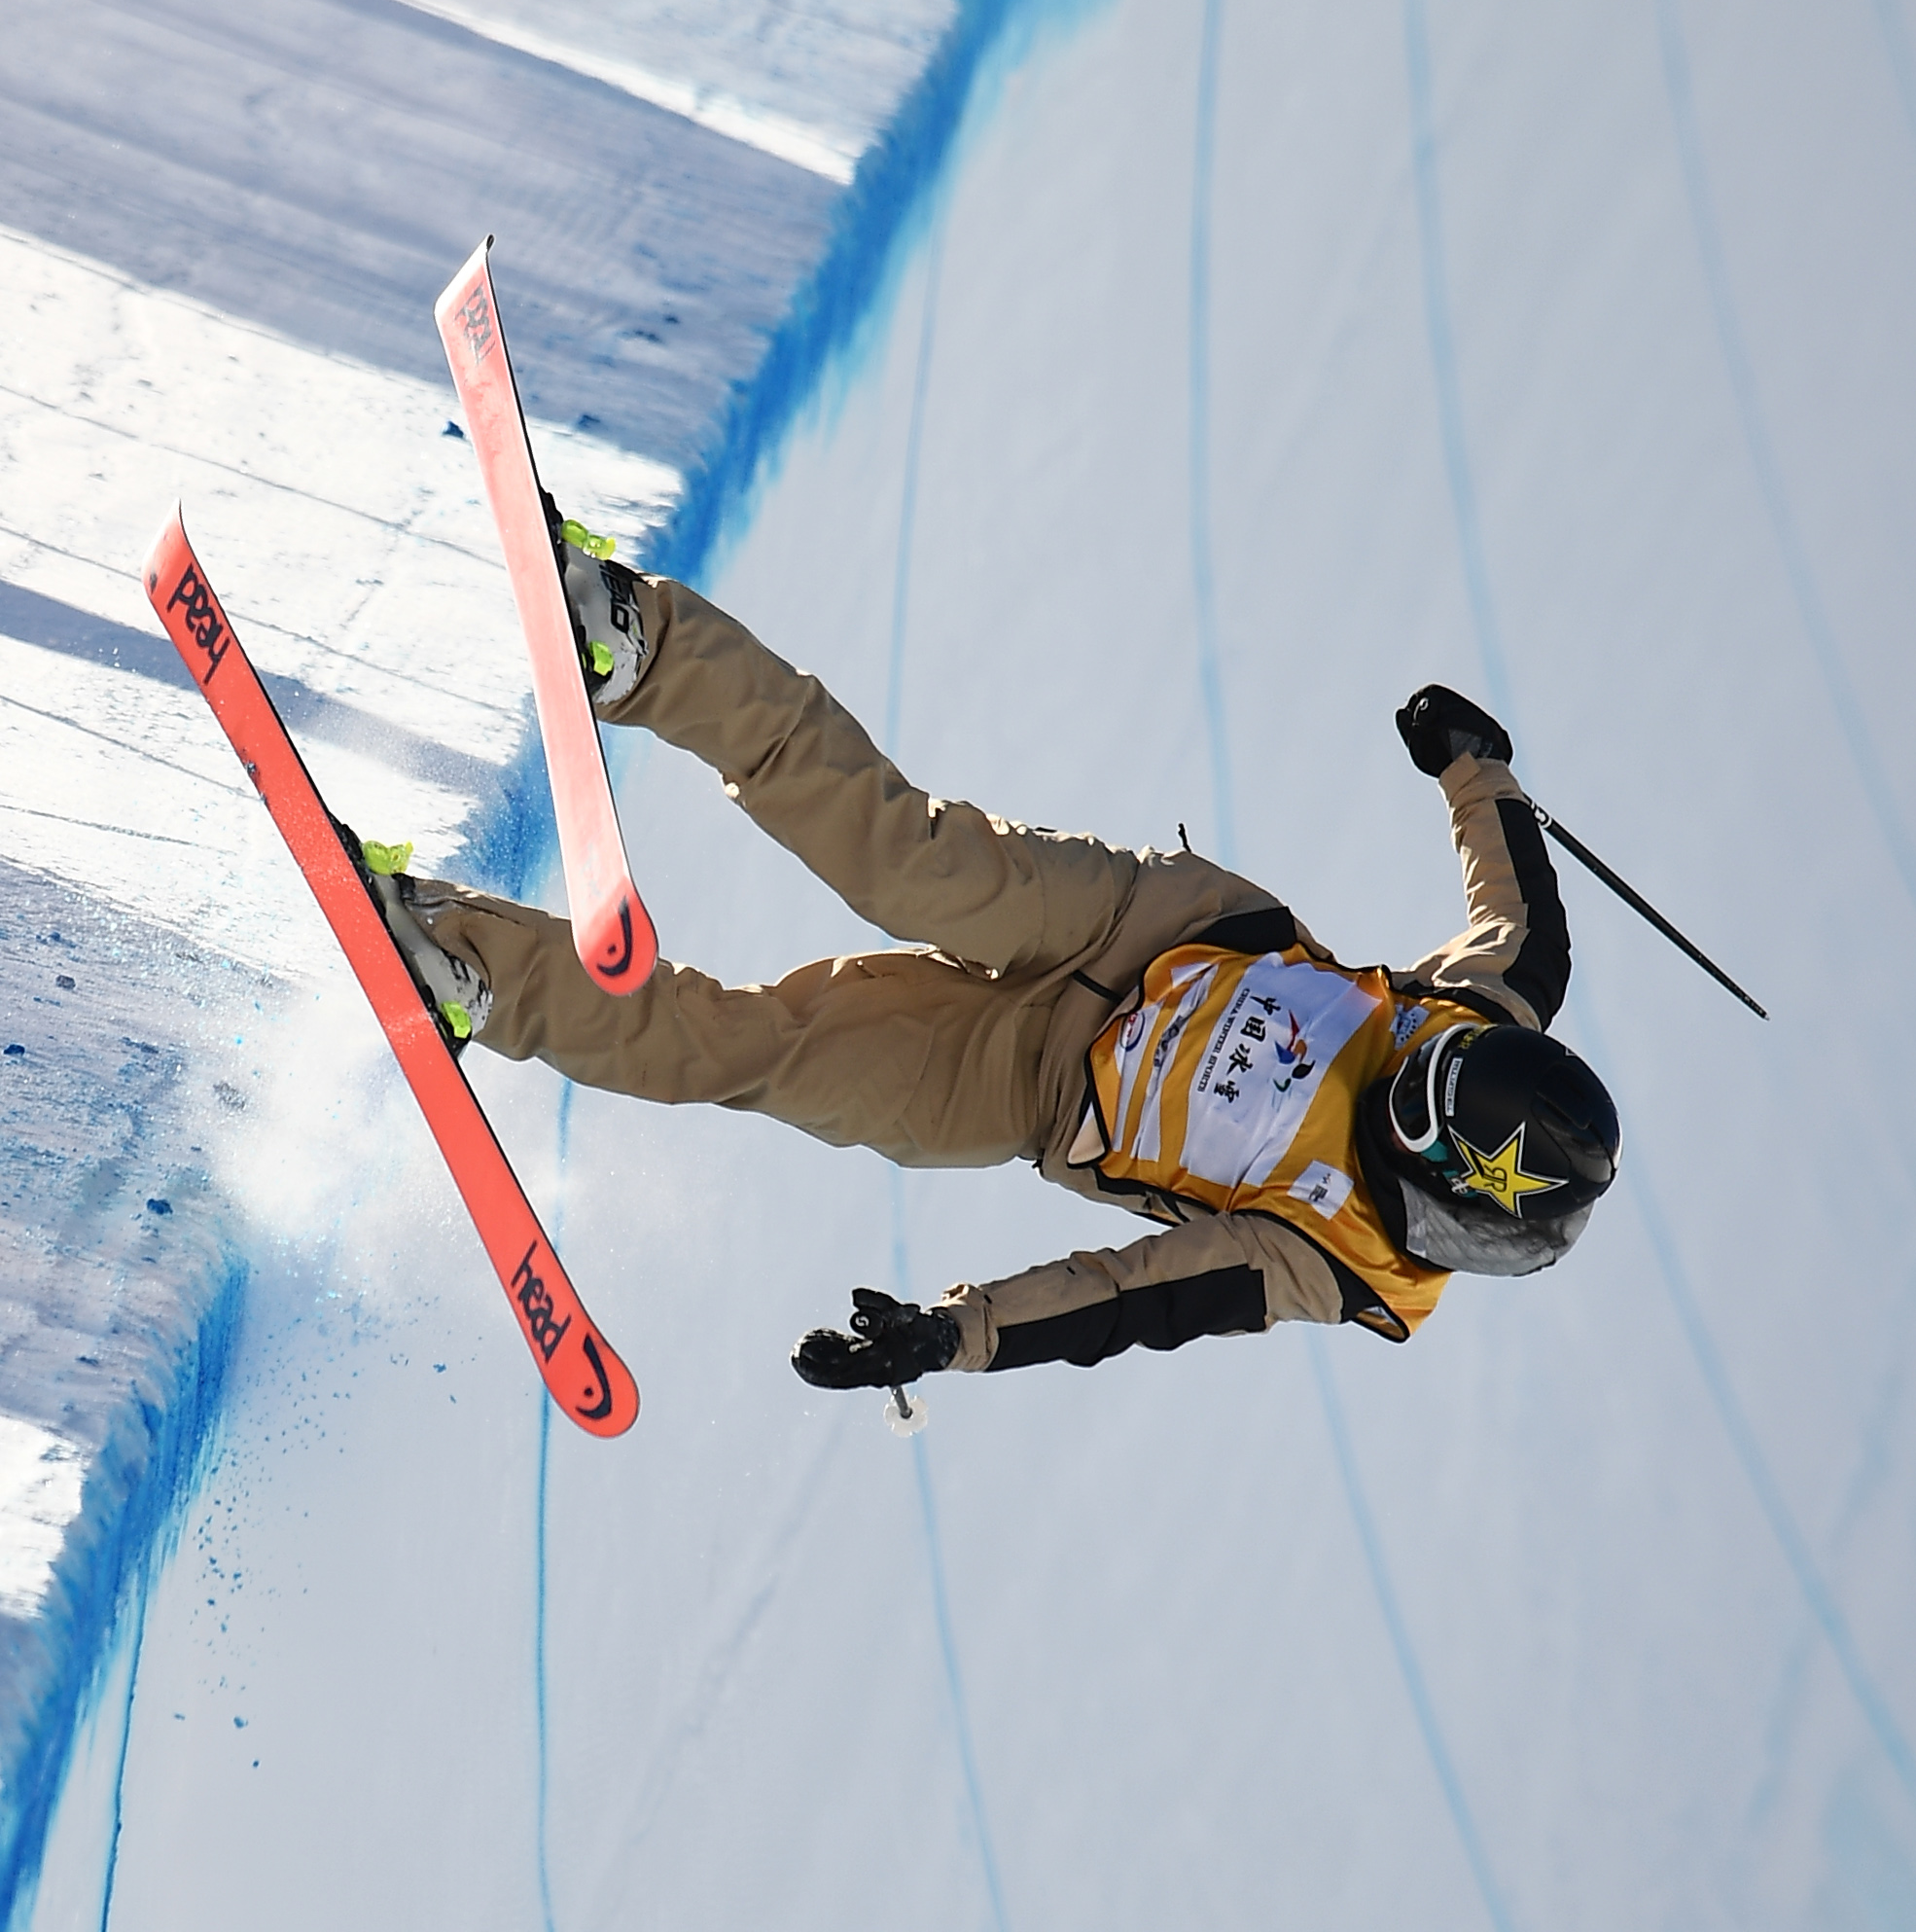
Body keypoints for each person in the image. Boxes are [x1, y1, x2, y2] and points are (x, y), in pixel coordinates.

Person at [371, 528, 1620, 1399]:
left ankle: (465, 963)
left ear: (1439, 1177)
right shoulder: (1485, 1004)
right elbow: (1516, 890)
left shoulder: (1343, 1262)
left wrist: (953, 1334)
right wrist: (1472, 758)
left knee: (759, 1057)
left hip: (1035, 1091)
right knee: (905, 862)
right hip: (1137, 929)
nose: (1415, 1050)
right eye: (1437, 1049)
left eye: (1409, 1094)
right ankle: (646, 644)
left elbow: (1129, 1297)